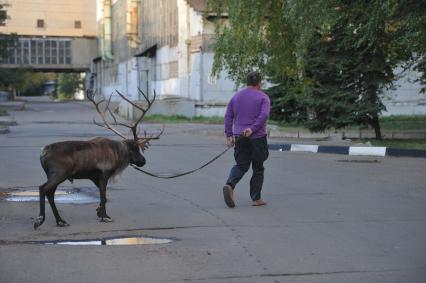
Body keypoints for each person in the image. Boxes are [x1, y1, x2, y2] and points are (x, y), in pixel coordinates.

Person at [223, 71, 270, 208]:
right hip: (257, 137)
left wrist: (229, 135)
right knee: (258, 167)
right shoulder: (263, 97)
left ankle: (230, 185)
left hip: (240, 137)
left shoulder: (236, 97)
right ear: (259, 83)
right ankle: (256, 199)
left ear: (247, 82)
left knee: (241, 165)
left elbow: (228, 116)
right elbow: (264, 115)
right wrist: (253, 128)